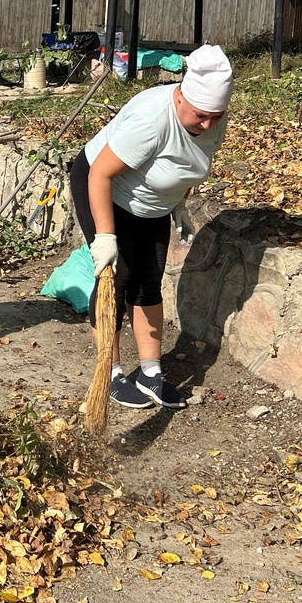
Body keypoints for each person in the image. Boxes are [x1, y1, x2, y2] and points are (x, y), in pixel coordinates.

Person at [68, 44, 232, 409]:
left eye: (215, 116)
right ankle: (108, 373)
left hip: (153, 204)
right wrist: (106, 238)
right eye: (201, 115)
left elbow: (190, 163)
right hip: (105, 189)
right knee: (117, 277)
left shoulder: (212, 118)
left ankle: (150, 373)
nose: (208, 124)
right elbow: (99, 174)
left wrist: (179, 204)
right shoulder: (152, 119)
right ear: (181, 98)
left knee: (150, 277)